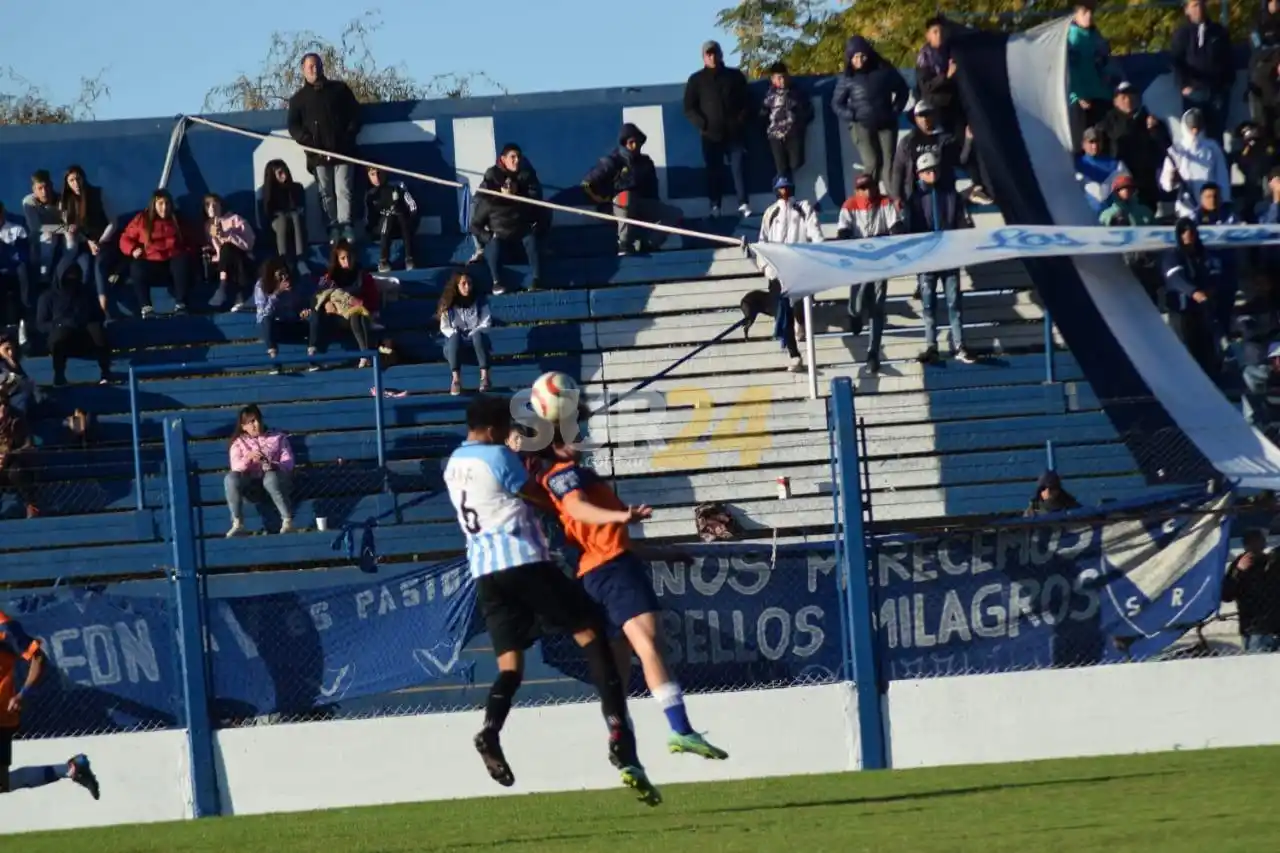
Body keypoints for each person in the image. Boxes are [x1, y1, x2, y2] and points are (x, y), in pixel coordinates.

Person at [443, 395, 659, 804]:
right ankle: (619, 732)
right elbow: (538, 497)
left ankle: (490, 730)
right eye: (505, 428)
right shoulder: (496, 455)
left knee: (510, 666)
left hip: (485, 572)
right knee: (591, 634)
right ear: (493, 429)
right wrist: (560, 494)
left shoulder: (454, 462)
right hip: (522, 560)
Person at [533, 426, 728, 761]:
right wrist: (623, 514)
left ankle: (623, 747)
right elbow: (578, 509)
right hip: (613, 571)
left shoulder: (570, 476)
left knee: (619, 666)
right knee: (649, 644)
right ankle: (681, 730)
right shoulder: (565, 475)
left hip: (598, 572)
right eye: (573, 436)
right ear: (557, 445)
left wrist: (664, 553)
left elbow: (610, 539)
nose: (581, 442)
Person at [0, 608, 99, 798]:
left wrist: (23, 694)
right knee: (1, 784)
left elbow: (38, 658)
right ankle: (71, 768)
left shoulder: (4, 627)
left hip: (2, 713)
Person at [904, 152, 974, 365]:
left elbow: (961, 221)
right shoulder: (914, 199)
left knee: (954, 302)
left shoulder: (951, 195)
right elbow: (911, 230)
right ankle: (931, 346)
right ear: (919, 174)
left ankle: (959, 345)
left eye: (934, 169)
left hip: (949, 257)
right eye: (927, 171)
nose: (931, 174)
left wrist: (964, 236)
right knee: (928, 305)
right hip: (927, 259)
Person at [287, 53, 361, 243]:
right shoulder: (298, 99)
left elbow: (355, 115)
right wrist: (309, 142)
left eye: (317, 65)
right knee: (325, 193)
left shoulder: (339, 89)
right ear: (303, 70)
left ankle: (346, 225)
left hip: (343, 152)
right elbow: (293, 127)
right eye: (310, 66)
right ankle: (333, 227)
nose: (315, 69)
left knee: (344, 189)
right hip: (317, 155)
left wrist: (347, 137)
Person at [582, 124, 684, 257]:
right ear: (624, 143)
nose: (635, 146)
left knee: (675, 213)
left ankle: (649, 244)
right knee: (626, 196)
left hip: (638, 206)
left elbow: (653, 194)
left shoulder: (646, 163)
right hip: (613, 208)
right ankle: (624, 244)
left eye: (638, 142)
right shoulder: (612, 162)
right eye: (631, 142)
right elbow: (586, 184)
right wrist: (604, 200)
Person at [757, 176, 823, 373]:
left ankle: (800, 322)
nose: (784, 191)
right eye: (781, 188)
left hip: (799, 266)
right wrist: (766, 268)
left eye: (787, 187)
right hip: (778, 269)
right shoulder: (771, 212)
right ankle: (794, 355)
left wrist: (819, 256)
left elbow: (815, 233)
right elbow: (763, 240)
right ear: (776, 190)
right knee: (783, 310)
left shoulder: (803, 207)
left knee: (799, 306)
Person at [838, 174, 903, 374]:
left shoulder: (885, 202)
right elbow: (843, 231)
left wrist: (896, 235)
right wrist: (848, 240)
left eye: (870, 187)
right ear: (856, 190)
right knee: (857, 304)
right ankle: (854, 314)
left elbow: (895, 226)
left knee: (877, 307)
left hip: (880, 261)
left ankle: (873, 353)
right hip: (859, 261)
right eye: (863, 188)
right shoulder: (849, 205)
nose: (867, 191)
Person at [832, 35, 910, 194]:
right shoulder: (847, 78)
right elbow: (836, 104)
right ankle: (868, 200)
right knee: (872, 163)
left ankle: (894, 200)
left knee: (889, 163)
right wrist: (853, 115)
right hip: (862, 126)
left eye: (862, 56)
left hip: (886, 124)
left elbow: (902, 89)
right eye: (855, 57)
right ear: (849, 58)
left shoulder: (884, 69)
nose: (859, 60)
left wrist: (895, 110)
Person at [683, 40, 751, 218]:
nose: (712, 57)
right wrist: (703, 124)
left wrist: (740, 120)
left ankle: (743, 203)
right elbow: (689, 108)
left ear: (721, 54)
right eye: (708, 54)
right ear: (703, 57)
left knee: (739, 168)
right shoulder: (696, 80)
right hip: (711, 135)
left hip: (734, 133)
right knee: (713, 171)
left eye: (714, 53)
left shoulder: (734, 76)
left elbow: (747, 101)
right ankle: (715, 206)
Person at [471, 144, 543, 294]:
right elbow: (475, 222)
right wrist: (488, 236)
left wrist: (518, 194)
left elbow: (536, 198)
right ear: (503, 159)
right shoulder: (492, 176)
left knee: (533, 234)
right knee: (476, 209)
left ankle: (538, 279)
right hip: (498, 232)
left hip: (519, 232)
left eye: (519, 157)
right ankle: (495, 279)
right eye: (513, 157)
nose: (517, 161)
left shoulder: (527, 175)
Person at [1162, 217, 1224, 375]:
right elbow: (1175, 278)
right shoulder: (1172, 256)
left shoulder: (1205, 255)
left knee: (1206, 348)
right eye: (1183, 231)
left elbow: (1215, 272)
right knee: (1184, 348)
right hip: (1181, 311)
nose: (1188, 234)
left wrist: (1210, 290)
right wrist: (1194, 292)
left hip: (1203, 310)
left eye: (1191, 230)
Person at [118, 190, 193, 317]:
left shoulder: (177, 219)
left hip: (172, 262)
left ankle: (181, 305)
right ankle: (146, 308)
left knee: (183, 261)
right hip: (151, 261)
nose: (164, 207)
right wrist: (132, 249)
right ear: (154, 205)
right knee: (137, 267)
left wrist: (187, 252)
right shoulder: (142, 219)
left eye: (167, 203)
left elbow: (191, 240)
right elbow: (125, 238)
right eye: (160, 203)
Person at [1098, 81, 1171, 211]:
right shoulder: (1108, 123)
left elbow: (1166, 146)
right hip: (1119, 181)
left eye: (1132, 97)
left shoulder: (1150, 120)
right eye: (1123, 97)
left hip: (1145, 181)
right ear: (1115, 101)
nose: (1128, 101)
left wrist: (1155, 130)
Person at [35, 262, 110, 386]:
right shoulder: (48, 297)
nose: (72, 278)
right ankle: (59, 376)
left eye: (75, 275)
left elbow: (99, 315)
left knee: (96, 328)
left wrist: (85, 319)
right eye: (68, 275)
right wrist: (61, 324)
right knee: (61, 334)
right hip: (62, 339)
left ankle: (106, 372)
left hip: (85, 338)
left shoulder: (86, 293)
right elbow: (41, 325)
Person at [54, 166, 115, 317]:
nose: (76, 183)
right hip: (82, 244)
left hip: (104, 241)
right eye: (71, 180)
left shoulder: (98, 194)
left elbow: (113, 222)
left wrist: (100, 241)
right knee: (83, 269)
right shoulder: (65, 202)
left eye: (78, 179)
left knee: (99, 265)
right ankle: (75, 311)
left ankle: (103, 309)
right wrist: (87, 241)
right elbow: (67, 228)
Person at [1170, 0, 1234, 143]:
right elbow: (1176, 61)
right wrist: (1183, 85)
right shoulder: (1182, 33)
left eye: (1201, 4)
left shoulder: (1219, 31)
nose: (1199, 9)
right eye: (1194, 5)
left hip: (1216, 92)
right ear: (1187, 10)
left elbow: (1228, 59)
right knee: (1194, 136)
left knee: (1216, 136)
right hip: (1193, 93)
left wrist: (1227, 84)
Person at [225, 404, 295, 536]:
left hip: (276, 480)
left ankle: (287, 521)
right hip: (251, 485)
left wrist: (273, 465)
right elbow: (236, 467)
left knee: (270, 479)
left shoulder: (278, 438)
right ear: (243, 426)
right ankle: (237, 523)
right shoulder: (238, 443)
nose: (255, 424)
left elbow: (289, 462)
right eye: (251, 422)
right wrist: (249, 458)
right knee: (230, 479)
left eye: (257, 420)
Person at [889, 100, 972, 207]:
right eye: (921, 115)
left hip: (943, 195)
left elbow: (961, 160)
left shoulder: (947, 140)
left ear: (934, 115)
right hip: (915, 197)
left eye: (928, 114)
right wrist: (896, 196)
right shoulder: (907, 142)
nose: (925, 119)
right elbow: (898, 169)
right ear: (915, 118)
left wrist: (968, 140)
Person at [1099, 174, 1160, 302]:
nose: (1126, 191)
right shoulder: (1107, 215)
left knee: (1149, 296)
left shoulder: (1145, 211)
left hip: (1144, 262)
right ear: (1116, 192)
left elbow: (1156, 232)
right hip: (1119, 264)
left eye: (1129, 188)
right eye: (1122, 188)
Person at [1160, 108, 1230, 219]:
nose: (1195, 131)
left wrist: (1225, 200)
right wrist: (1172, 179)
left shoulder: (1212, 147)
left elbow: (1222, 177)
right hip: (1186, 207)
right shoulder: (1176, 150)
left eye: (1197, 127)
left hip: (1210, 204)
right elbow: (1165, 184)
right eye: (1192, 127)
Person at [1067, 2, 1118, 145]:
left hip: (1103, 95)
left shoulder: (1097, 36)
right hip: (1082, 99)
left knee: (1105, 141)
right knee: (1085, 141)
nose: (1089, 16)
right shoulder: (1071, 38)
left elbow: (1107, 63)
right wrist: (1078, 95)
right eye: (1084, 12)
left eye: (1091, 12)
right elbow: (1070, 70)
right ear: (1075, 15)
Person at [1222, 529, 1280, 653]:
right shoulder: (1239, 566)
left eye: (1260, 542)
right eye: (1252, 543)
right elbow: (1226, 595)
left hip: (1271, 624)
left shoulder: (1272, 562)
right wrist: (1239, 571)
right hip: (1253, 626)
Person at [254, 258, 316, 372]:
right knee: (266, 320)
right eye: (280, 275)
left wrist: (303, 312)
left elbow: (301, 304)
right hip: (275, 327)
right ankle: (274, 360)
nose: (284, 278)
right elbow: (262, 315)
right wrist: (277, 293)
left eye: (285, 274)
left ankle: (312, 357)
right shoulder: (261, 286)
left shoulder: (294, 284)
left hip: (293, 323)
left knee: (314, 317)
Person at [437, 269, 491, 396]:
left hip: (476, 340)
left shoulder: (479, 301)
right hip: (456, 343)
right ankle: (456, 380)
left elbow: (486, 322)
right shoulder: (448, 304)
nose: (467, 287)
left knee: (478, 335)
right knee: (454, 337)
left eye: (469, 284)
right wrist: (455, 332)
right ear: (456, 286)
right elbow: (444, 327)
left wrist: (474, 331)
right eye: (463, 284)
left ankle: (485, 377)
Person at [760, 62, 813, 182]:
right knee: (781, 169)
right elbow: (763, 115)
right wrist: (768, 129)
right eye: (779, 78)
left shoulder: (797, 92)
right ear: (773, 79)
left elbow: (809, 110)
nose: (782, 81)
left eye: (784, 77)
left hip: (793, 134)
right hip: (775, 136)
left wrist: (800, 123)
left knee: (796, 163)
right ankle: (783, 190)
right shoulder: (769, 96)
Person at [203, 194, 256, 313]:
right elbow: (215, 249)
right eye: (208, 205)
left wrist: (228, 236)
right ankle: (239, 297)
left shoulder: (234, 219)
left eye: (215, 204)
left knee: (227, 248)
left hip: (242, 257)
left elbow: (249, 243)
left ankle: (222, 288)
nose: (212, 207)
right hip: (223, 262)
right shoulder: (208, 226)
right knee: (225, 252)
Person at [363, 166, 419, 273]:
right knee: (388, 218)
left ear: (385, 172)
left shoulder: (397, 186)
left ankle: (409, 259)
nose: (377, 178)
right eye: (372, 174)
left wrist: (409, 218)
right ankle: (383, 261)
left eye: (379, 173)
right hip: (381, 228)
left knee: (400, 215)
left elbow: (413, 207)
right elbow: (368, 219)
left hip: (400, 225)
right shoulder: (370, 194)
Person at [261, 159, 309, 276]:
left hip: (293, 219)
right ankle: (284, 260)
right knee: (282, 218)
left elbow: (300, 207)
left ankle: (301, 260)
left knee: (295, 215)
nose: (283, 175)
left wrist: (288, 188)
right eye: (279, 173)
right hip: (278, 221)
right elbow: (268, 213)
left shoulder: (296, 187)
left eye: (284, 171)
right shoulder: (269, 190)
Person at [311, 280, 374, 369]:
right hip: (335, 318)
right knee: (357, 315)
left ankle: (365, 355)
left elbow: (357, 296)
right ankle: (366, 355)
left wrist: (348, 298)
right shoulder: (319, 296)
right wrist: (326, 304)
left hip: (350, 313)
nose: (331, 283)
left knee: (357, 316)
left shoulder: (341, 291)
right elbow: (316, 306)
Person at [21, 171, 63, 285]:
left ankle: (48, 276)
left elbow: (68, 224)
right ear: (34, 189)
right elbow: (36, 227)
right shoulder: (28, 202)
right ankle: (42, 276)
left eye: (46, 187)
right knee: (46, 237)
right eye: (40, 188)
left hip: (60, 237)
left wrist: (61, 229)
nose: (44, 192)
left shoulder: (61, 200)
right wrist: (61, 228)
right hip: (38, 237)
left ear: (51, 186)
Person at [0, 202, 29, 332]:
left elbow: (23, 255)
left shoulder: (17, 229)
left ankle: (25, 316)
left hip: (14, 270)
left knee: (23, 270)